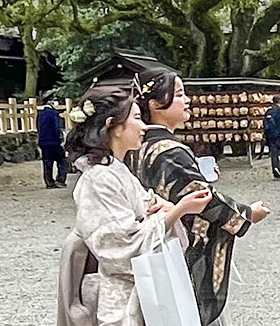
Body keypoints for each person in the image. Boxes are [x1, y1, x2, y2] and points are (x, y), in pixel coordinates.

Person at [121, 68, 271, 325]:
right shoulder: (169, 150)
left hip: (155, 238)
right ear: (155, 104)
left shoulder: (140, 146)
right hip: (178, 242)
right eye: (178, 94)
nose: (186, 99)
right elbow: (202, 200)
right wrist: (247, 214)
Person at [59, 93, 216, 326]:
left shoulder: (115, 170)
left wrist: (166, 208)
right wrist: (178, 211)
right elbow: (118, 243)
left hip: (140, 286)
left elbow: (147, 212)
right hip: (119, 291)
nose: (144, 126)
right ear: (114, 126)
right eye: (136, 118)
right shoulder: (99, 178)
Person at [38, 98, 70, 188]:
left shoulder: (40, 114)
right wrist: (60, 138)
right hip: (54, 142)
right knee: (62, 161)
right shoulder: (53, 114)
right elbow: (57, 127)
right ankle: (60, 179)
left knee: (47, 163)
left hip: (43, 142)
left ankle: (49, 182)